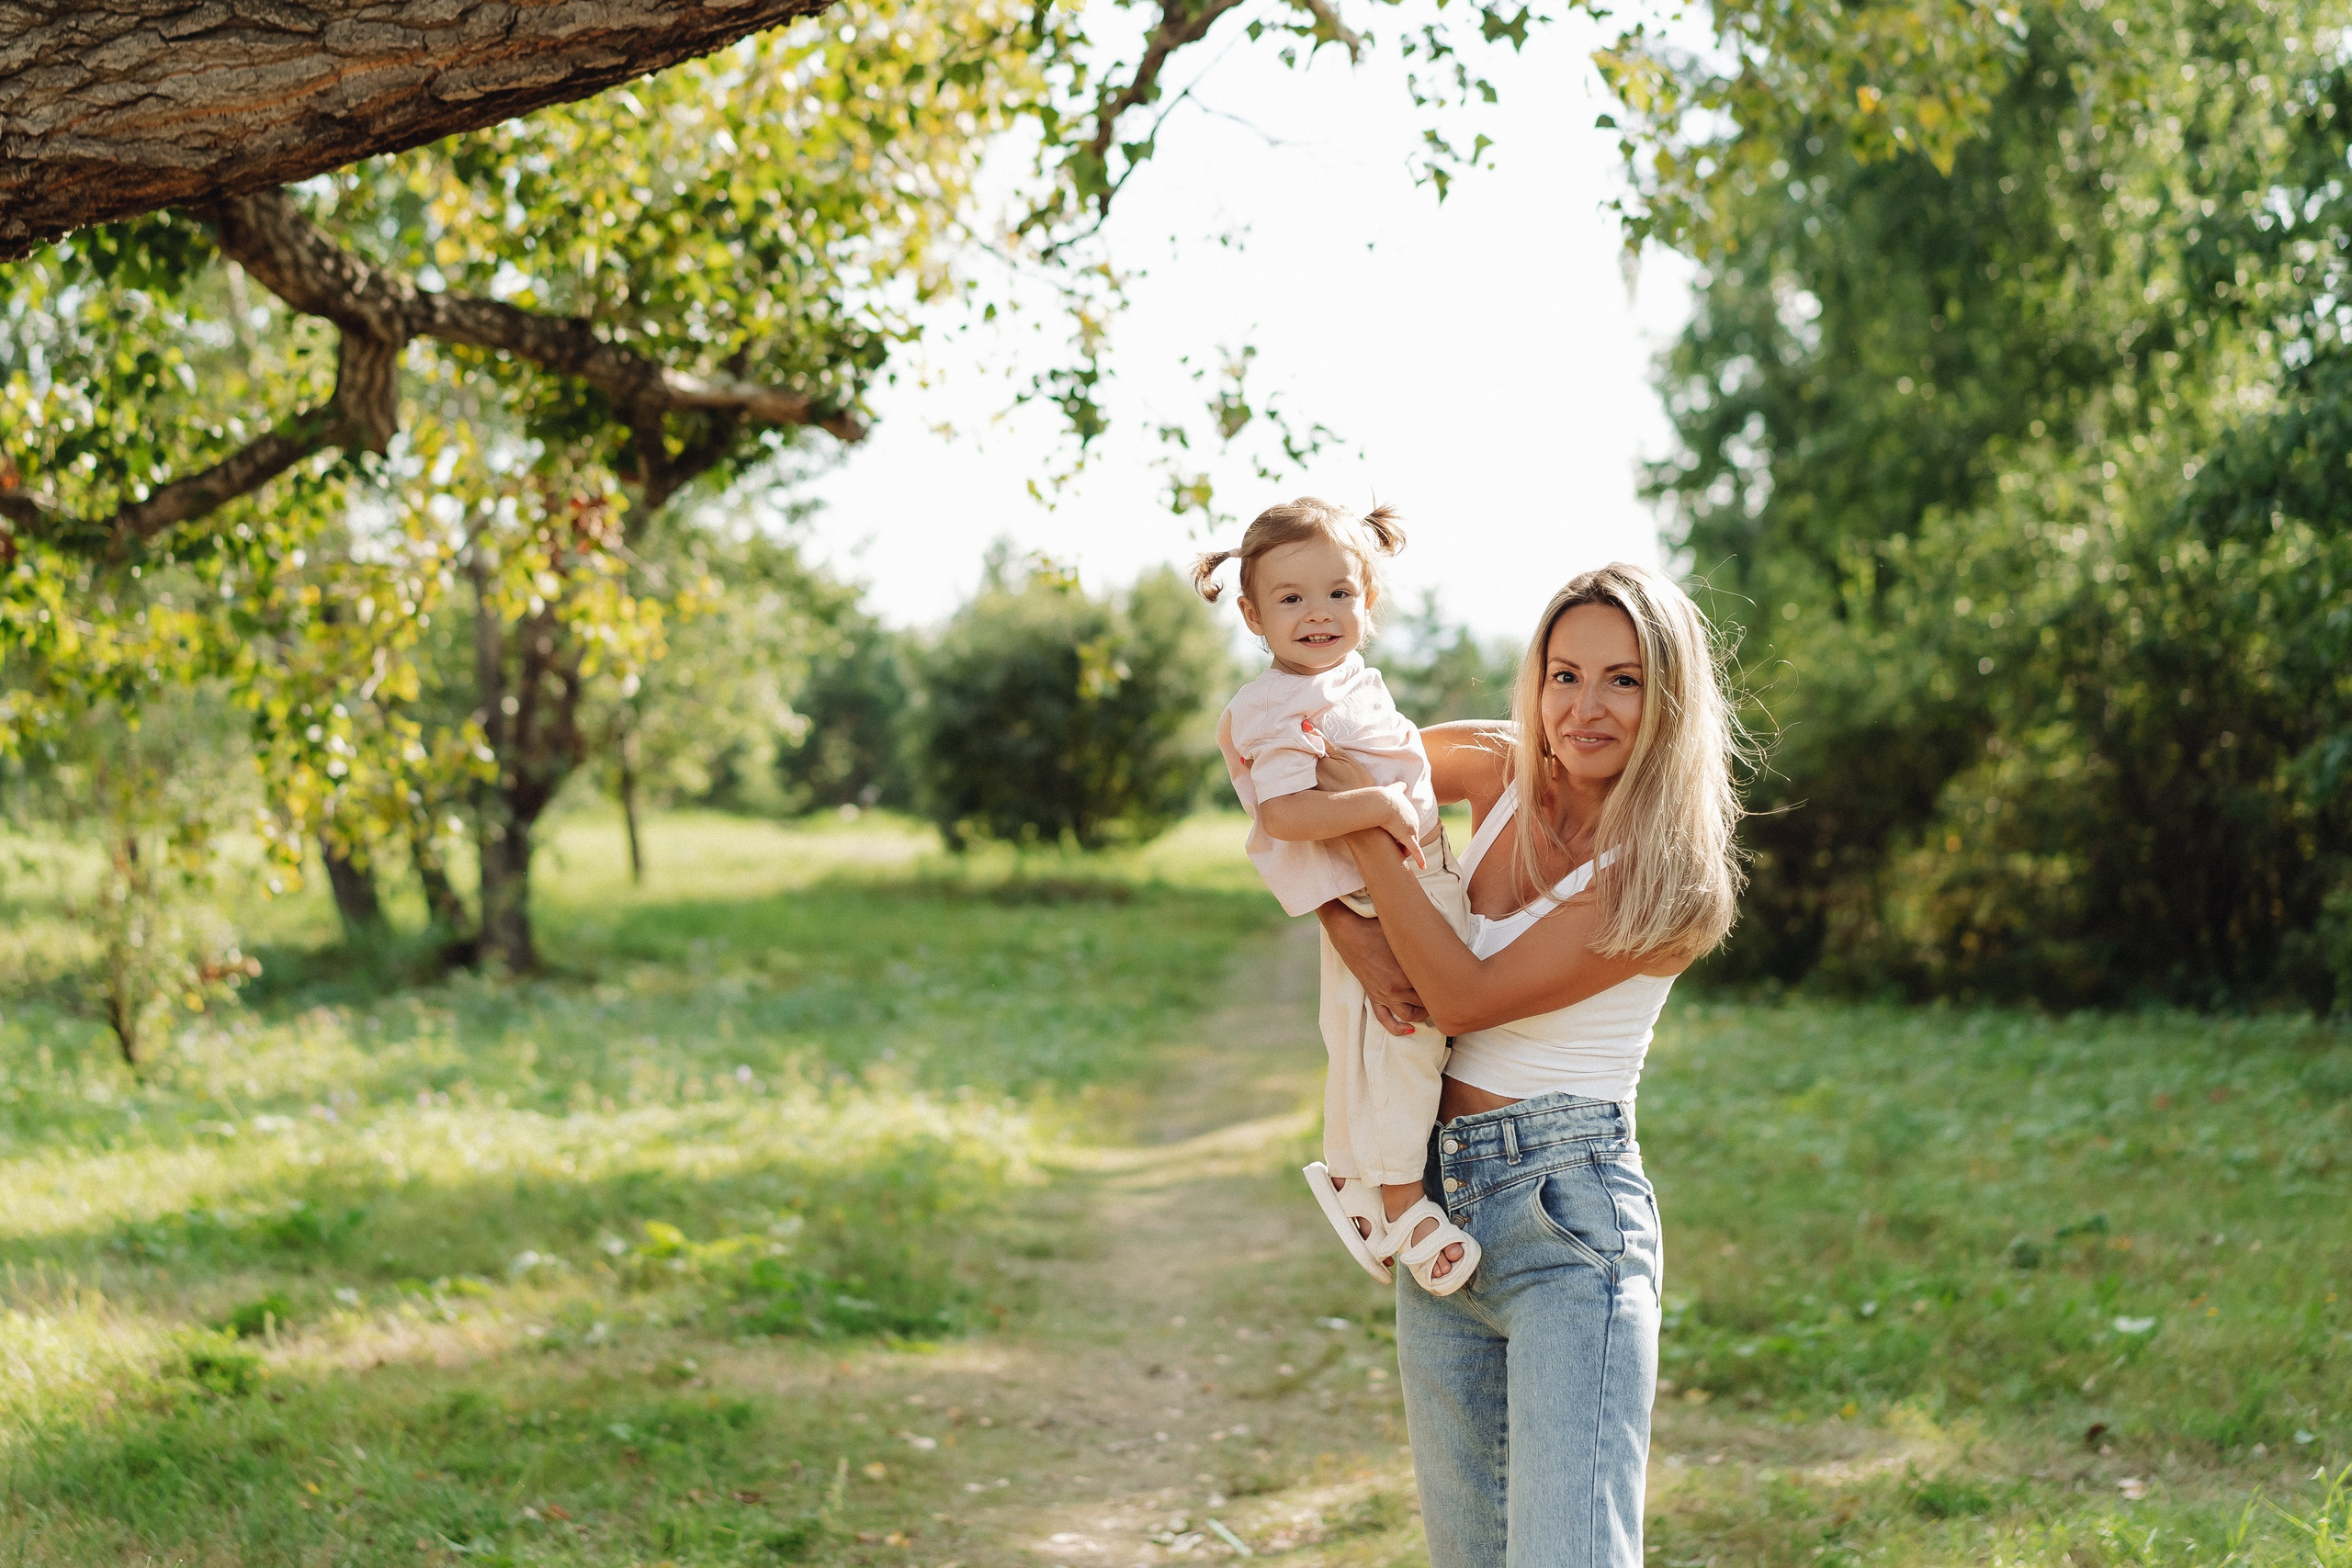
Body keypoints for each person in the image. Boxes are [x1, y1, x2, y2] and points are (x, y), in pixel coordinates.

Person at [1313, 562, 1746, 1568]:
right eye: (1564, 674)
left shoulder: (1665, 878)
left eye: (1624, 681)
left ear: (1669, 698)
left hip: (1569, 1220)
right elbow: (1291, 788)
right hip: (1436, 1207)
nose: (1585, 707)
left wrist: (1373, 832)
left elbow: (1459, 996)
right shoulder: (1493, 769)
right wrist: (1355, 930)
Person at [1193, 497, 1482, 1295]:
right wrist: (1379, 806)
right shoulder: (1279, 704)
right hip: (1385, 890)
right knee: (1414, 1036)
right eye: (1291, 598)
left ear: (1369, 601)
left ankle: (1356, 1181)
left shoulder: (1346, 681)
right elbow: (1285, 810)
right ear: (1252, 615)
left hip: (1393, 882)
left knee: (1361, 1045)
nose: (1318, 614)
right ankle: (1405, 1204)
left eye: (1339, 593)